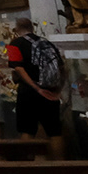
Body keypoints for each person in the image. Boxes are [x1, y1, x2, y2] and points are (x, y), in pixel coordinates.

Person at [5, 18, 67, 157]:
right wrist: (58, 90)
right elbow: (62, 68)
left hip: (29, 92)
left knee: (27, 131)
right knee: (55, 132)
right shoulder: (47, 43)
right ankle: (62, 170)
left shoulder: (15, 44)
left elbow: (18, 68)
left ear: (16, 29)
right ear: (32, 28)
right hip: (51, 91)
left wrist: (36, 87)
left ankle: (29, 171)